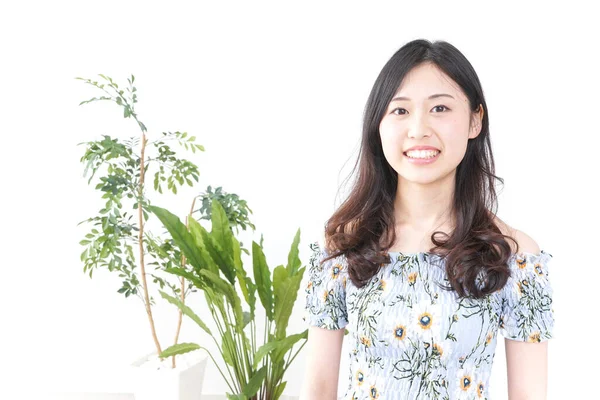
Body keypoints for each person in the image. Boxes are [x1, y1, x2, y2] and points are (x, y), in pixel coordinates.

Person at [300, 39, 555, 400]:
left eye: (439, 108)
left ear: (474, 120)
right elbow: (318, 390)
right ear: (378, 125)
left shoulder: (514, 254)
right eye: (400, 111)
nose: (418, 129)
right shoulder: (343, 247)